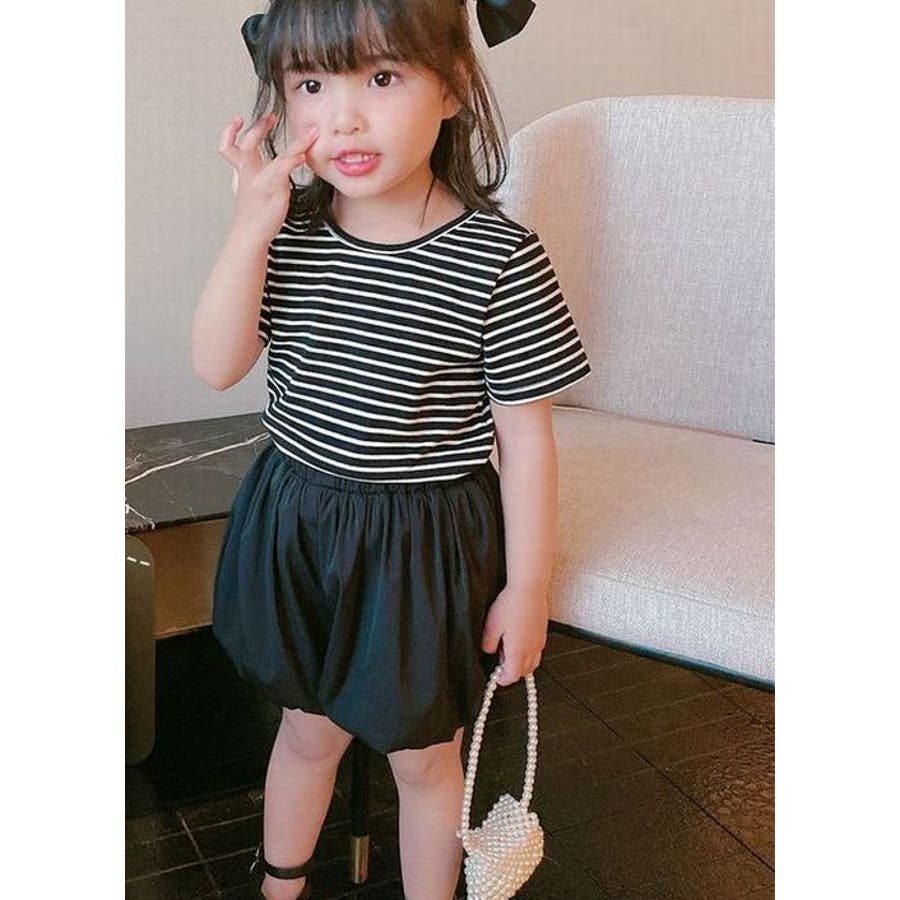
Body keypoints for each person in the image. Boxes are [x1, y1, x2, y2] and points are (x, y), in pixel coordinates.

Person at [191, 2, 591, 898]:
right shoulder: (288, 236)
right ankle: (280, 884)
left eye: (380, 77)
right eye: (310, 84)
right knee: (306, 730)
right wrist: (250, 226)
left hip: (423, 548)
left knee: (423, 756)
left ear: (451, 86)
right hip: (298, 526)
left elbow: (527, 440)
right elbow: (216, 365)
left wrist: (529, 588)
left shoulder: (499, 257)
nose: (342, 117)